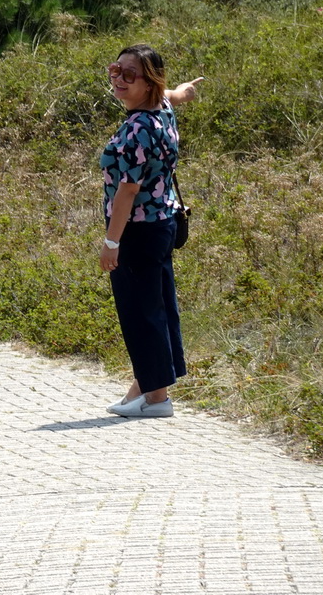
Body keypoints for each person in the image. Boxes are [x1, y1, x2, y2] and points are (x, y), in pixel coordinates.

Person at [99, 44, 202, 417]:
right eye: (115, 70)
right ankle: (150, 389)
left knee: (141, 313)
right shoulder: (163, 110)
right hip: (163, 224)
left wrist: (112, 242)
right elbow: (170, 94)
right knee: (157, 308)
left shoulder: (136, 130)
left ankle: (157, 398)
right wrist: (183, 91)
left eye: (130, 75)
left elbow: (127, 192)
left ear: (148, 83)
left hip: (137, 231)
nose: (119, 80)